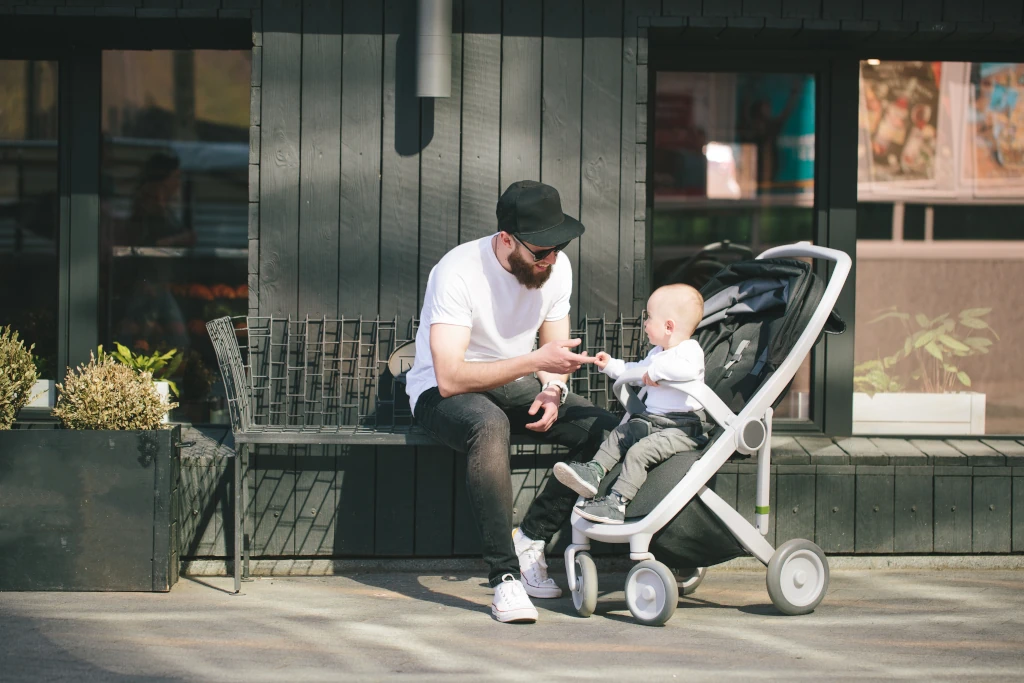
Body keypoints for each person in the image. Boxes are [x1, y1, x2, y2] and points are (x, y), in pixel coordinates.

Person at [405, 180, 619, 624]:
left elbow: (554, 352)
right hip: (440, 391)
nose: (552, 260)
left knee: (604, 430)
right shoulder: (459, 271)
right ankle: (505, 579)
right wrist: (535, 360)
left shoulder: (556, 268)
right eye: (541, 252)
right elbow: (449, 377)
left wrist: (552, 389)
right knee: (489, 425)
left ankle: (533, 538)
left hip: (516, 381)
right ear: (506, 240)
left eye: (558, 248)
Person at [553, 283, 710, 524]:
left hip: (682, 429)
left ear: (669, 326)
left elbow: (688, 370)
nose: (644, 323)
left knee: (639, 452)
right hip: (654, 422)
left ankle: (617, 503)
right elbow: (635, 370)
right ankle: (594, 472)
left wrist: (656, 372)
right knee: (620, 434)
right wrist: (611, 365)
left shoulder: (690, 350)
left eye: (649, 317)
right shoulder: (657, 352)